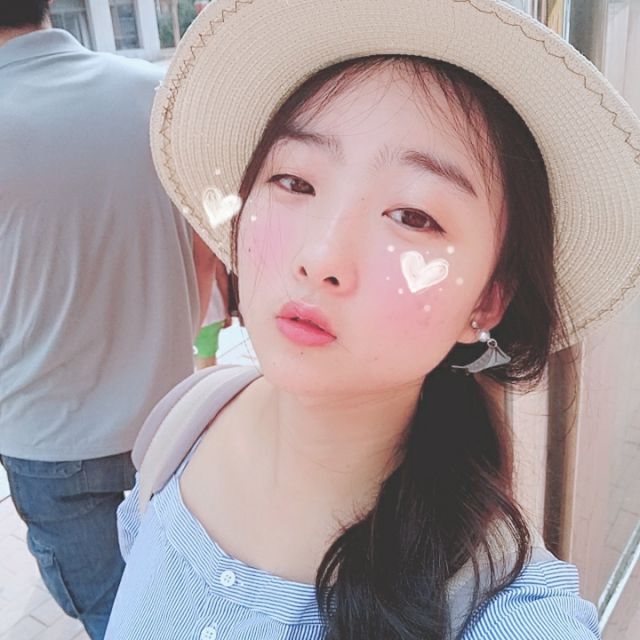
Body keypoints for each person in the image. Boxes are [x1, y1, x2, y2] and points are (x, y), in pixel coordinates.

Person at [105, 0, 640, 638]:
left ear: (487, 302)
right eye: (294, 181)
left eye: (414, 217)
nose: (320, 257)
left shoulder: (506, 613)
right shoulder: (184, 425)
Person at [0, 2, 214, 638]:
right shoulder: (154, 93)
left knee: (115, 616)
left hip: (49, 436)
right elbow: (208, 241)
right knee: (180, 590)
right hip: (168, 413)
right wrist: (175, 335)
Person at [194, 255, 232, 369]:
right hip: (210, 314)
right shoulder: (206, 245)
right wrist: (226, 310)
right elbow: (221, 276)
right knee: (207, 359)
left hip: (181, 313)